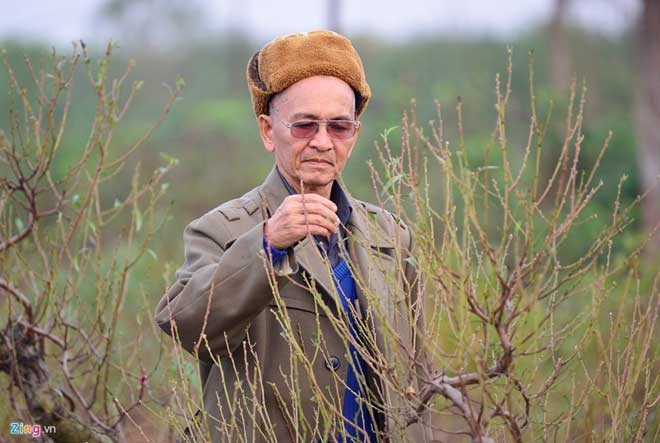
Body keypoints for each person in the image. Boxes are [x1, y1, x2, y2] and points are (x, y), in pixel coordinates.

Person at [155, 30, 432, 443]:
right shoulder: (222, 230)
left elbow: (417, 373)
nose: (322, 142)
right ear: (268, 131)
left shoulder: (390, 237)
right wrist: (267, 244)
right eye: (304, 126)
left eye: (339, 126)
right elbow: (186, 325)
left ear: (354, 134)